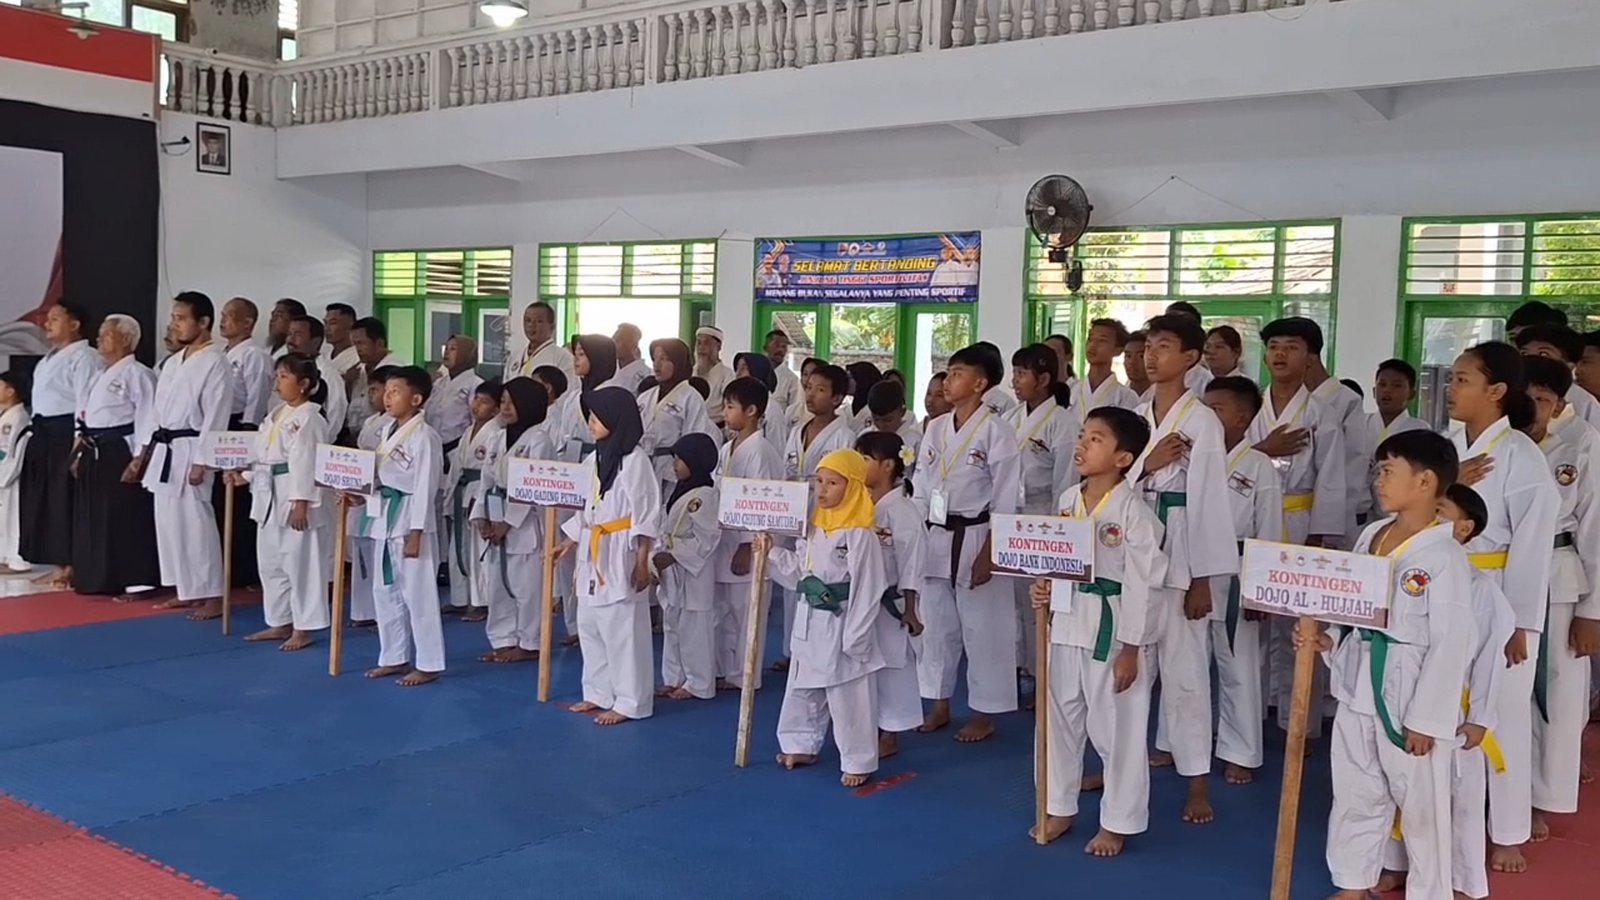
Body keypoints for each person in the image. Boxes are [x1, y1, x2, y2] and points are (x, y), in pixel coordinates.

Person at [1307, 429, 1475, 900]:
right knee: (1356, 790)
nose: (1378, 481)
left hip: (1411, 690)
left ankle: (1431, 892)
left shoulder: (1444, 555)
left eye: (1388, 471)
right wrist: (1326, 639)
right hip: (1359, 680)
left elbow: (1452, 641)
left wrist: (1427, 718)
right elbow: (1351, 607)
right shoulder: (1371, 535)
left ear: (1425, 481)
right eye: (1378, 471)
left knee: (1422, 807)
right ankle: (1353, 882)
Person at [1447, 341, 1560, 874]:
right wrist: (1448, 480)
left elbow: (1533, 547)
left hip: (1500, 594)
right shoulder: (1445, 448)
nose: (1451, 388)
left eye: (1462, 379)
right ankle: (1446, 820)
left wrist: (1520, 624)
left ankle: (1508, 829)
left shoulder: (1521, 456)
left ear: (1496, 391)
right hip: (1445, 587)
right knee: (1446, 709)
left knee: (1504, 713)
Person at [1028, 406, 1162, 856]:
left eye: (1096, 439)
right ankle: (1058, 804)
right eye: (1082, 436)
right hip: (1067, 620)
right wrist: (1045, 587)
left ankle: (1118, 820)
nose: (1082, 445)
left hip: (1114, 628)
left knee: (1117, 729)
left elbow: (1145, 584)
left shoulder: (1135, 514)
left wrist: (1132, 647)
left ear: (1124, 459)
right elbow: (1053, 557)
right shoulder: (1068, 499)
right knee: (1058, 719)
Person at [1373, 482, 1517, 900]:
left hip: (1457, 712)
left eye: (1441, 513)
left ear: (1464, 529)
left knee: (1459, 802)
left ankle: (1464, 882)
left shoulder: (1482, 588)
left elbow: (1489, 659)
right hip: (1405, 696)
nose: (1430, 520)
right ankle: (1396, 865)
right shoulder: (1406, 567)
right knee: (1401, 790)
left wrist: (1481, 719)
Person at [1130, 315, 1238, 823]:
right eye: (1149, 346)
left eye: (1164, 347)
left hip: (1183, 549)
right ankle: (1122, 768)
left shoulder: (1203, 421)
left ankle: (1197, 780)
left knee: (1186, 672)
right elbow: (1112, 479)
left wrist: (1203, 578)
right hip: (1135, 548)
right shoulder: (1136, 414)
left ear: (1191, 358)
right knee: (1129, 670)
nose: (1152, 356)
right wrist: (1147, 464)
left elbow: (1212, 502)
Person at [756, 448, 890, 787]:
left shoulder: (860, 534)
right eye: (819, 481)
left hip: (843, 621)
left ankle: (858, 759)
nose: (823, 489)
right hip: (809, 617)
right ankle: (800, 743)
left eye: (833, 483)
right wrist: (771, 553)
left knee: (848, 694)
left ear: (853, 486)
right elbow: (801, 574)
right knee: (803, 685)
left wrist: (857, 634)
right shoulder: (816, 527)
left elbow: (869, 586)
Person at [913, 344, 1022, 741]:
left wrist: (991, 552)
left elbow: (1006, 497)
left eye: (957, 373)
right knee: (936, 624)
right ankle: (938, 702)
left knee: (983, 627)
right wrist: (913, 533)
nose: (947, 380)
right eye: (948, 372)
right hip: (936, 532)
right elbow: (921, 484)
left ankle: (983, 711)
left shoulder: (997, 431)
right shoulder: (936, 427)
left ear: (980, 384)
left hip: (977, 533)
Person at [1248, 316, 1347, 740]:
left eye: (1291, 347)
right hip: (1256, 520)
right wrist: (1263, 449)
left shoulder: (1321, 413)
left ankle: (1299, 725)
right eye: (1274, 346)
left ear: (1310, 358)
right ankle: (1255, 717)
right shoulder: (1252, 406)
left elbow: (1332, 478)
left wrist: (1319, 535)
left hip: (1301, 518)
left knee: (1301, 626)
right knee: (1253, 625)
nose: (1280, 354)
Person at [1521, 356, 1600, 842]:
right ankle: (1501, 793)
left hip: (1560, 576)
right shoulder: (1501, 443)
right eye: (1525, 397)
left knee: (1557, 693)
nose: (1532, 407)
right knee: (1504, 692)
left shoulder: (1582, 442)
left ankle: (1541, 798)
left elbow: (1595, 529)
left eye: (1543, 399)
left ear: (1560, 404)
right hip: (1502, 574)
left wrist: (1593, 612)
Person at [556, 387, 662, 725]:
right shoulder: (593, 459)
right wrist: (568, 540)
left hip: (621, 552)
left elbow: (646, 515)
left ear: (618, 420)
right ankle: (598, 692)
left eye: (598, 416)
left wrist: (643, 562)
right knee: (590, 625)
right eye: (589, 415)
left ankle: (631, 701)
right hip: (593, 548)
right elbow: (587, 510)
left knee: (622, 631)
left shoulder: (636, 461)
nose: (591, 422)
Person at [1201, 376, 1282, 786]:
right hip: (1195, 569)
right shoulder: (1196, 457)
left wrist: (1260, 590)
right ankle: (1182, 742)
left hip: (1238, 569)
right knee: (1187, 663)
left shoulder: (1258, 465)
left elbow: (1269, 529)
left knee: (1239, 665)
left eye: (1216, 410)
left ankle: (1241, 751)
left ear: (1243, 417)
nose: (1207, 417)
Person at [136, 293, 232, 620]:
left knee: (196, 525)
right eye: (173, 318)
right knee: (169, 523)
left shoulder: (215, 361)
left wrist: (203, 460)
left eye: (181, 318)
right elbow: (156, 412)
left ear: (203, 322)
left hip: (192, 448)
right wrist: (144, 453)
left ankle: (213, 593)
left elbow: (216, 414)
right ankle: (186, 588)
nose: (174, 324)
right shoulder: (175, 361)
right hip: (165, 448)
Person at [357, 366, 446, 687]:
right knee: (385, 590)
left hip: (410, 520)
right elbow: (381, 476)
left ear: (416, 399)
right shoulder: (387, 430)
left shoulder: (425, 436)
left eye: (396, 391)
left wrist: (417, 532)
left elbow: (425, 487)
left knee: (418, 594)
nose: (388, 396)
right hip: (385, 516)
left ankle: (429, 662)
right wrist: (358, 493)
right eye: (387, 391)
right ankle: (393, 656)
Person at [237, 354, 332, 652]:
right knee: (271, 561)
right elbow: (264, 456)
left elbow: (306, 462)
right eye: (277, 376)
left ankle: (304, 627)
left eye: (284, 377)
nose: (277, 382)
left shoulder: (310, 418)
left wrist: (301, 502)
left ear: (304, 384)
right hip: (268, 493)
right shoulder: (276, 414)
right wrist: (245, 475)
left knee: (300, 564)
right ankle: (279, 620)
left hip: (294, 494)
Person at [71, 315, 160, 596]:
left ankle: (137, 579)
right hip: (93, 446)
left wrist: (140, 458)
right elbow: (84, 414)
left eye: (106, 334)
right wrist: (77, 449)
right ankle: (98, 576)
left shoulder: (138, 373)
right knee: (95, 515)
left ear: (126, 339)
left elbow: (148, 417)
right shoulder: (99, 373)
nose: (99, 338)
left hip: (121, 448)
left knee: (124, 514)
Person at [1009, 344, 1081, 688]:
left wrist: (1059, 528)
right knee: (1015, 602)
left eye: (1022, 374)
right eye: (1014, 373)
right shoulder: (1011, 418)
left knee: (1041, 601)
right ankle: (1020, 668)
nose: (1015, 381)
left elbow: (1066, 481)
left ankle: (1043, 676)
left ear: (1044, 379)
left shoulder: (1063, 423)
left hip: (1045, 516)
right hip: (1011, 516)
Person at [779, 363, 858, 672]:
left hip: (825, 517)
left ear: (837, 398)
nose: (811, 395)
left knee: (819, 578)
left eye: (820, 390)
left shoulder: (845, 436)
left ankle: (818, 650)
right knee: (792, 579)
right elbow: (786, 473)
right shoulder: (796, 431)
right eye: (809, 388)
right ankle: (792, 649)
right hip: (793, 513)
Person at [21, 301, 104, 587]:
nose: (47, 324)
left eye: (55, 319)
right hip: (43, 431)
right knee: (45, 498)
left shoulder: (85, 357)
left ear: (74, 324)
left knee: (64, 497)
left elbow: (85, 401)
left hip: (66, 432)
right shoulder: (49, 358)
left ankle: (71, 564)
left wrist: (79, 440)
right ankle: (57, 562)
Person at [473, 377, 553, 664]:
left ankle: (530, 642)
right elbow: (485, 480)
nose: (505, 407)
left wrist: (508, 522)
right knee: (497, 583)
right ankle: (503, 639)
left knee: (527, 586)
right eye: (503, 401)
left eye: (512, 402)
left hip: (525, 520)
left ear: (529, 404)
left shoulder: (539, 440)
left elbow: (532, 486)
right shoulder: (497, 436)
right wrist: (481, 515)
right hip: (495, 508)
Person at [856, 431, 925, 761]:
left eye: (865, 459)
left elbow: (913, 562)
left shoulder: (903, 511)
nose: (859, 465)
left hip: (892, 600)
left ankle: (891, 732)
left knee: (893, 665)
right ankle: (867, 725)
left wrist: (911, 607)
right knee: (865, 663)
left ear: (887, 466)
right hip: (862, 597)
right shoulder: (861, 502)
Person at [713, 376, 784, 691]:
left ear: (752, 410)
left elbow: (763, 504)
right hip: (724, 536)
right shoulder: (727, 448)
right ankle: (726, 669)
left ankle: (745, 675)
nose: (725, 413)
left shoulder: (761, 451)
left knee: (748, 613)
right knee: (727, 612)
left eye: (730, 407)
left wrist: (746, 545)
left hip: (748, 542)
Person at [654, 432, 721, 700]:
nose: (674, 465)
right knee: (672, 623)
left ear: (696, 461)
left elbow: (708, 538)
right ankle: (674, 677)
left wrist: (674, 555)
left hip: (695, 570)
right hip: (674, 568)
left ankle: (699, 683)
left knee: (695, 627)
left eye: (680, 460)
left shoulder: (705, 496)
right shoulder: (680, 490)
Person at [220, 297, 273, 591]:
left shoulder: (254, 355)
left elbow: (258, 395)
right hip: (221, 427)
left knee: (241, 500)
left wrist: (248, 430)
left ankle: (245, 570)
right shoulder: (221, 354)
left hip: (242, 427)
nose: (223, 321)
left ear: (248, 322)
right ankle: (226, 565)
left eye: (230, 315)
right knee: (222, 498)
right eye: (222, 315)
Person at [533, 365, 583, 642]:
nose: (577, 359)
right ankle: (571, 620)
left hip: (585, 474)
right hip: (563, 476)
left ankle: (579, 620)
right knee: (561, 548)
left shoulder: (556, 411)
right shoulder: (573, 399)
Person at [346, 367, 399, 630]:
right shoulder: (370, 423)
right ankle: (362, 610)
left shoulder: (398, 427)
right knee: (361, 553)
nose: (376, 396)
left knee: (379, 555)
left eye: (381, 390)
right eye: (374, 391)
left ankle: (379, 612)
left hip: (381, 492)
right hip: (363, 491)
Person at [445, 380, 502, 620]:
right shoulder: (468, 432)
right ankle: (460, 598)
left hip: (480, 492)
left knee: (479, 549)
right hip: (462, 489)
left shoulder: (496, 433)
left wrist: (485, 504)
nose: (477, 405)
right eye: (476, 398)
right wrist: (448, 498)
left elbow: (492, 472)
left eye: (484, 401)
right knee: (457, 548)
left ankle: (482, 602)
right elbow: (455, 468)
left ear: (496, 409)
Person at [639, 338, 717, 499]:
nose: (657, 365)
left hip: (672, 468)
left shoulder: (691, 397)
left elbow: (694, 439)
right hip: (644, 465)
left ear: (678, 362)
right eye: (655, 358)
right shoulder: (645, 397)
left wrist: (684, 467)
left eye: (664, 359)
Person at [1361, 359, 1429, 525]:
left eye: (1397, 386)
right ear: (1374, 391)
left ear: (1411, 394)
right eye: (1382, 385)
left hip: (1399, 513)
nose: (1387, 390)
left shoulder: (1420, 430)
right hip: (1361, 512)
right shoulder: (1360, 423)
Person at [1516, 322, 1600, 432]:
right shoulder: (1512, 389)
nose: (1531, 360)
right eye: (1524, 353)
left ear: (1569, 366)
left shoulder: (1584, 402)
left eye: (1543, 354)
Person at [285, 316, 349, 437]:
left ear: (315, 342)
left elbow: (335, 414)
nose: (290, 340)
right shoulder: (284, 370)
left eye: (298, 335)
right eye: (289, 334)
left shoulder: (328, 374)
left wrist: (318, 441)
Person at [346, 317, 402, 440]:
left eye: (361, 343)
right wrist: (348, 383)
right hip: (358, 434)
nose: (357, 350)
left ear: (379, 344)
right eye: (355, 344)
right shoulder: (358, 370)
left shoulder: (397, 372)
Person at [427, 335, 482, 455]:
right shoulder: (439, 383)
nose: (446, 352)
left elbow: (477, 421)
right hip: (432, 445)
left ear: (465, 354)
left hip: (456, 447)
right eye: (446, 348)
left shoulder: (475, 384)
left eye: (453, 349)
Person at [1073, 319, 1140, 418]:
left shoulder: (1126, 396)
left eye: (1102, 341)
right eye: (1090, 339)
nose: (1092, 345)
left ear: (1118, 350)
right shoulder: (1072, 389)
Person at [0, 372, 30, 573]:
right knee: (3, 519)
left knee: (13, 519)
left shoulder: (17, 418)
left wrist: (4, 477)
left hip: (11, 476)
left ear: (11, 391)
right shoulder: (6, 416)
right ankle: (4, 557)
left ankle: (17, 560)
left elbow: (10, 452)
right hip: (4, 473)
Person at [734, 351, 791, 451]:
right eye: (737, 368)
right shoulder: (737, 403)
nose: (738, 373)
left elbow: (777, 448)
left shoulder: (771, 408)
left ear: (757, 371)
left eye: (743, 368)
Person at [865, 380, 922, 467]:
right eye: (876, 419)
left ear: (902, 412)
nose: (881, 425)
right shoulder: (866, 437)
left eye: (888, 420)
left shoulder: (915, 439)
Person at [694, 327, 735, 426]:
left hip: (716, 428)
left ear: (718, 346)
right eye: (699, 343)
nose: (701, 348)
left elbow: (730, 404)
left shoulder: (727, 374)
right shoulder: (690, 372)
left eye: (706, 343)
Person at [612, 324, 649, 395]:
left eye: (617, 341)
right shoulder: (608, 371)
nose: (613, 345)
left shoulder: (647, 375)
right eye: (612, 340)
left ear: (631, 344)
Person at [845, 362, 883, 432]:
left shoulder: (877, 410)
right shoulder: (846, 410)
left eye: (849, 378)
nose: (845, 382)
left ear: (862, 380)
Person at [1122, 330, 1152, 397]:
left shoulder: (1163, 396)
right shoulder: (1118, 395)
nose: (1132, 362)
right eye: (1128, 356)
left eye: (1141, 356)